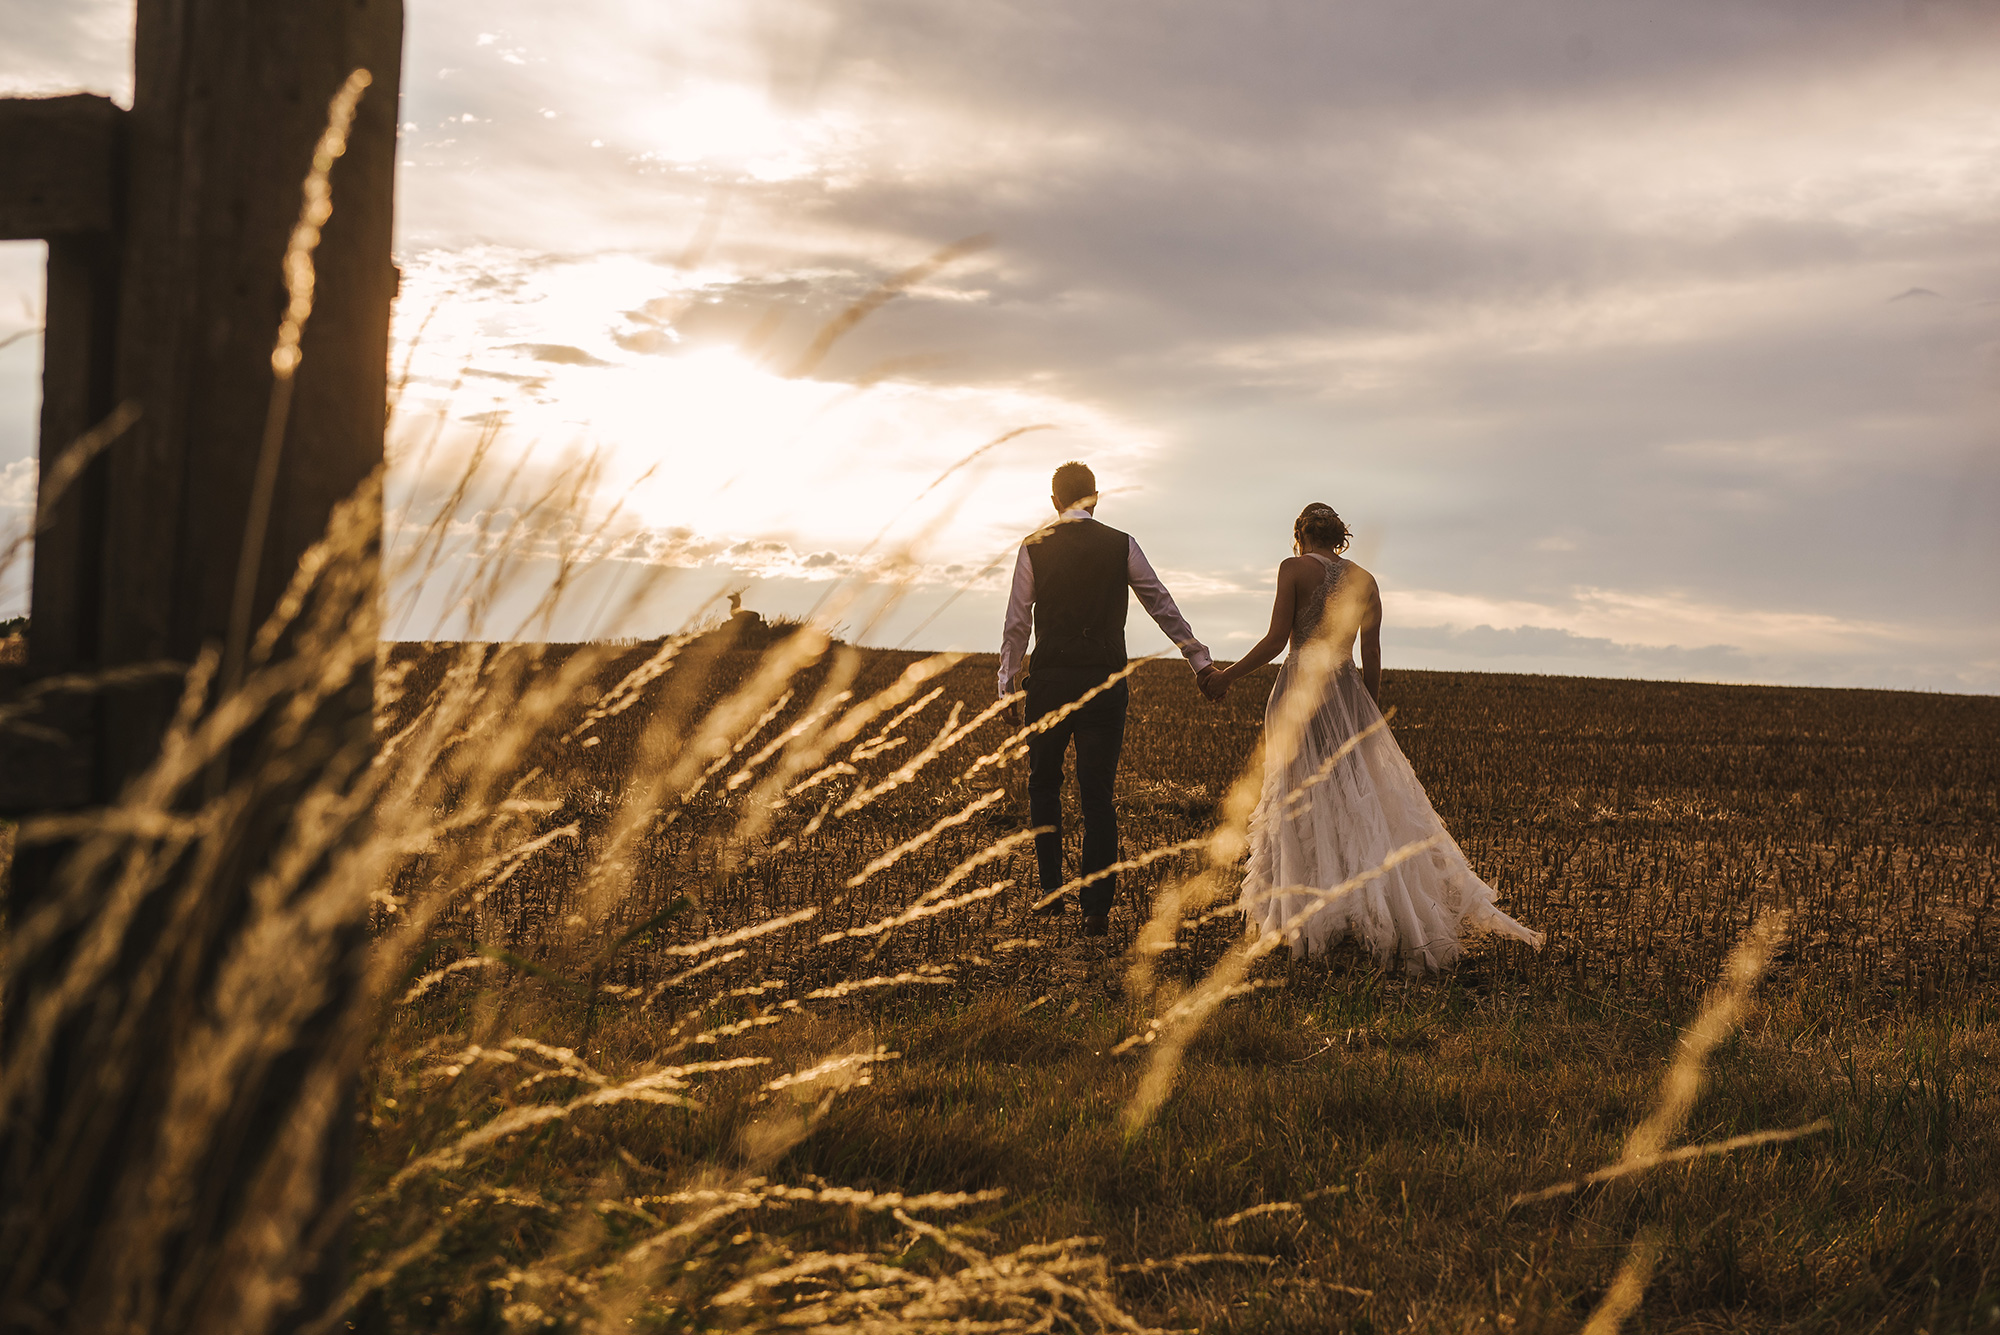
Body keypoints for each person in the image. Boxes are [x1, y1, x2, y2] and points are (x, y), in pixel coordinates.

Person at [1204, 503, 1542, 967]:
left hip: (1301, 691)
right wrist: (1369, 710)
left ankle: (1311, 916)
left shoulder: (1293, 568)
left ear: (1300, 534)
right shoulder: (1365, 579)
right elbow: (1373, 650)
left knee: (1303, 795)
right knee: (1352, 796)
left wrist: (1226, 676)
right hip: (1347, 692)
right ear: (1339, 537)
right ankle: (1364, 911)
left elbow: (1276, 641)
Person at [998, 461, 1220, 936]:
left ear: (1054, 502)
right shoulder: (1122, 544)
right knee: (1097, 795)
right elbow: (1160, 603)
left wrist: (1006, 683)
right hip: (1103, 682)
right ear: (1095, 498)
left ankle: (1051, 893)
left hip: (1051, 683)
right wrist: (1199, 661)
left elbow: (1017, 621)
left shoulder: (1033, 547)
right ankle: (1096, 909)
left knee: (1044, 786)